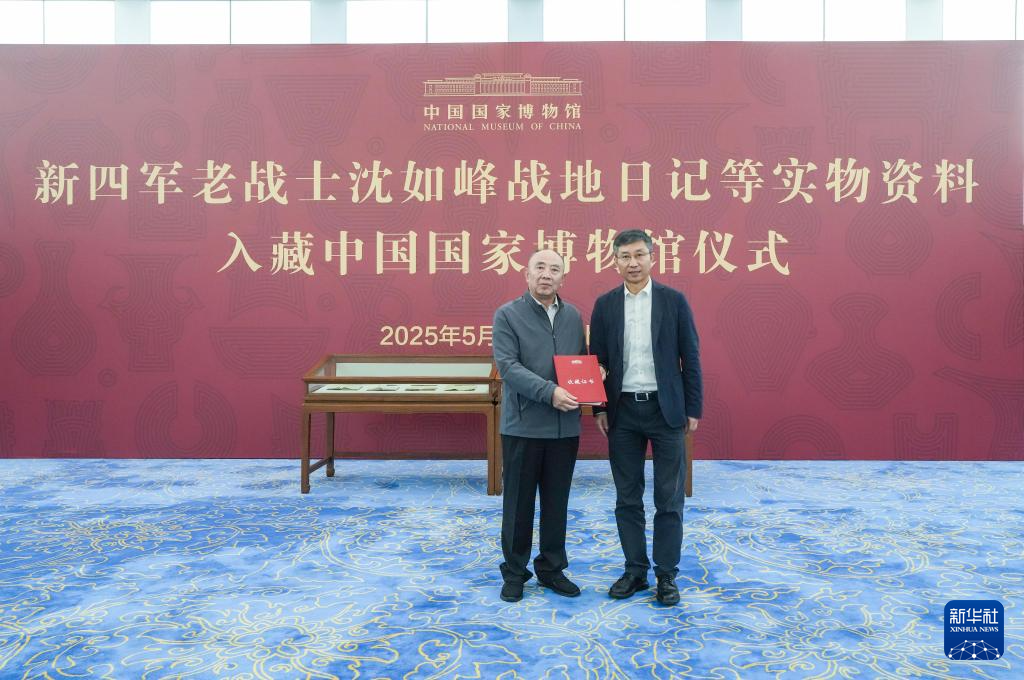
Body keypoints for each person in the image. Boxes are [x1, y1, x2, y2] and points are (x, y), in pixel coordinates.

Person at [589, 230, 703, 606]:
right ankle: (635, 570)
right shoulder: (605, 305)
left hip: (665, 409)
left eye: (639, 255)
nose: (633, 263)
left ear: (652, 258)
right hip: (622, 411)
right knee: (627, 497)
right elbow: (597, 359)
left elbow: (691, 356)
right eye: (625, 256)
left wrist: (693, 408)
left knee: (669, 498)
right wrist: (599, 407)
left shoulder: (674, 301)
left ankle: (666, 575)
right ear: (615, 262)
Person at [492, 249, 586, 603]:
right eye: (540, 268)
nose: (547, 274)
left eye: (555, 269)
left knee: (556, 503)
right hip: (523, 426)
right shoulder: (507, 314)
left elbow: (579, 364)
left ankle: (551, 568)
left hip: (564, 428)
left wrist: (595, 376)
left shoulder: (573, 316)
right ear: (527, 274)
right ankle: (515, 572)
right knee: (518, 505)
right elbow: (509, 367)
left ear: (563, 278)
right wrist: (550, 393)